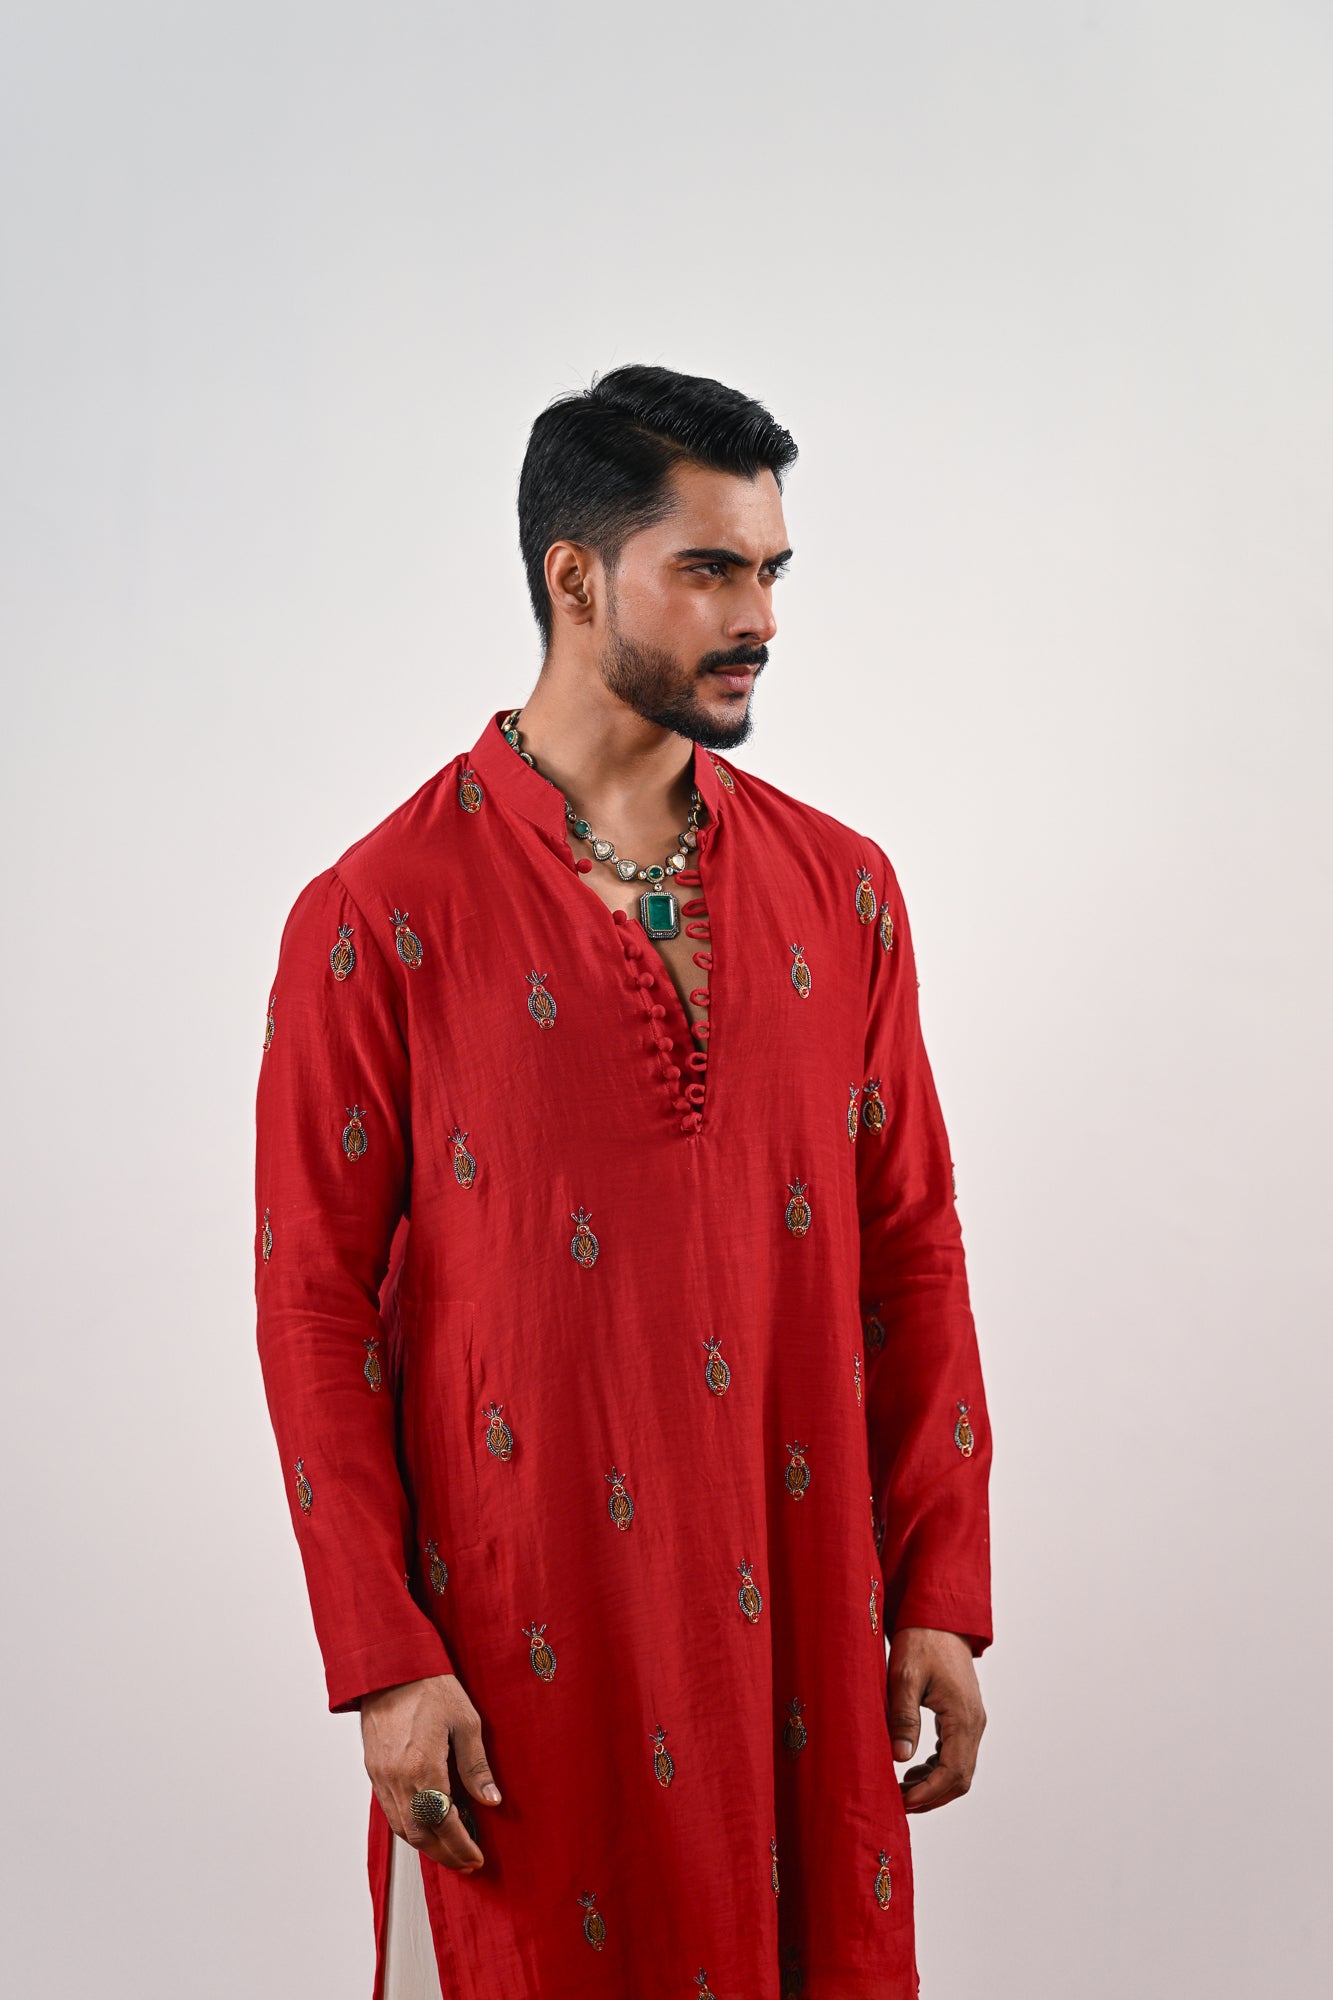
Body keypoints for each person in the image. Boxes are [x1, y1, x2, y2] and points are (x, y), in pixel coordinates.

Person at [253, 362, 993, 2000]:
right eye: (711, 569)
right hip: (521, 1652)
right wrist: (383, 1661)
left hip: (803, 1625)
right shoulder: (378, 912)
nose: (760, 618)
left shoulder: (841, 890)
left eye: (772, 570)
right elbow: (312, 1308)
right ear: (575, 578)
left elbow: (910, 1254)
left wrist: (939, 1589)